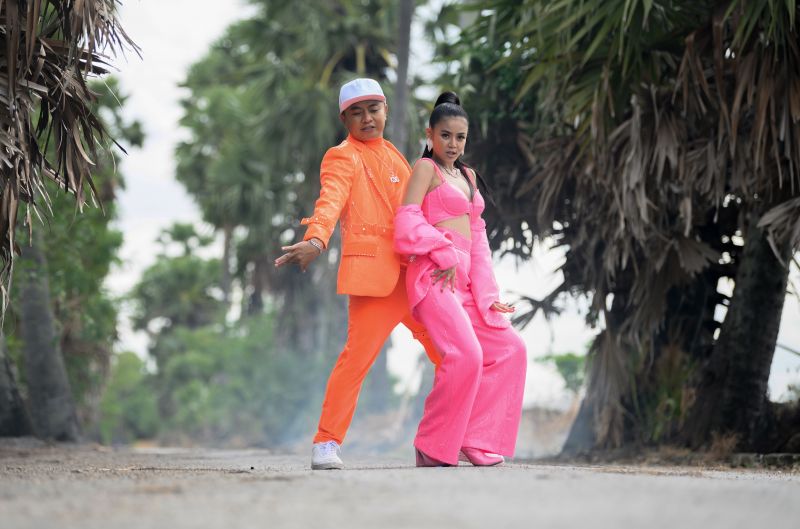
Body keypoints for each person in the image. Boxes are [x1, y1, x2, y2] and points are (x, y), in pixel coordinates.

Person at [274, 78, 440, 470]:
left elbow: (418, 210)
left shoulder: (395, 154)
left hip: (415, 275)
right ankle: (326, 443)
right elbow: (330, 200)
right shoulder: (342, 156)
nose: (367, 118)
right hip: (374, 281)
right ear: (344, 119)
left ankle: (453, 437)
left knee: (451, 352)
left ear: (385, 110)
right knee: (356, 362)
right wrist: (317, 240)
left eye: (373, 109)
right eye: (357, 112)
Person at [393, 92, 527, 467]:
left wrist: (487, 295)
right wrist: (443, 249)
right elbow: (406, 222)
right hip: (434, 277)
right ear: (430, 134)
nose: (453, 144)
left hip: (466, 285)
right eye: (445, 135)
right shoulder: (425, 169)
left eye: (460, 137)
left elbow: (479, 239)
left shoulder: (468, 176)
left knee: (510, 349)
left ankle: (474, 439)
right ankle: (431, 444)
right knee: (466, 354)